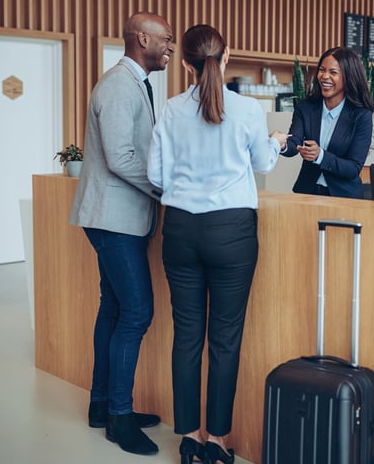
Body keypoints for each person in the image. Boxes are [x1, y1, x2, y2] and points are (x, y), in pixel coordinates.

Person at [147, 24, 287, 464]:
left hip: (182, 231)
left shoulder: (170, 110)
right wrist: (275, 143)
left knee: (187, 336)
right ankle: (217, 443)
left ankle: (188, 438)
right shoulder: (247, 109)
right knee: (225, 340)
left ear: (186, 64)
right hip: (232, 233)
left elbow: (155, 175)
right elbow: (263, 164)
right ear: (225, 59)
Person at [69, 11, 174, 455]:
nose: (169, 46)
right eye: (165, 39)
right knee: (136, 313)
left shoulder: (136, 84)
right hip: (113, 220)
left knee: (112, 309)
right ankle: (119, 417)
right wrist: (164, 188)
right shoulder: (117, 85)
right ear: (141, 38)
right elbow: (120, 157)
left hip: (121, 219)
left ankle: (102, 405)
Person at [281, 46, 374, 198]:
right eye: (322, 70)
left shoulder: (361, 115)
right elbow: (294, 142)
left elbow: (353, 168)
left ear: (348, 77)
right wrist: (282, 144)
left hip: (344, 198)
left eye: (333, 72)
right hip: (307, 194)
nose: (324, 76)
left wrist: (321, 156)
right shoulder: (305, 107)